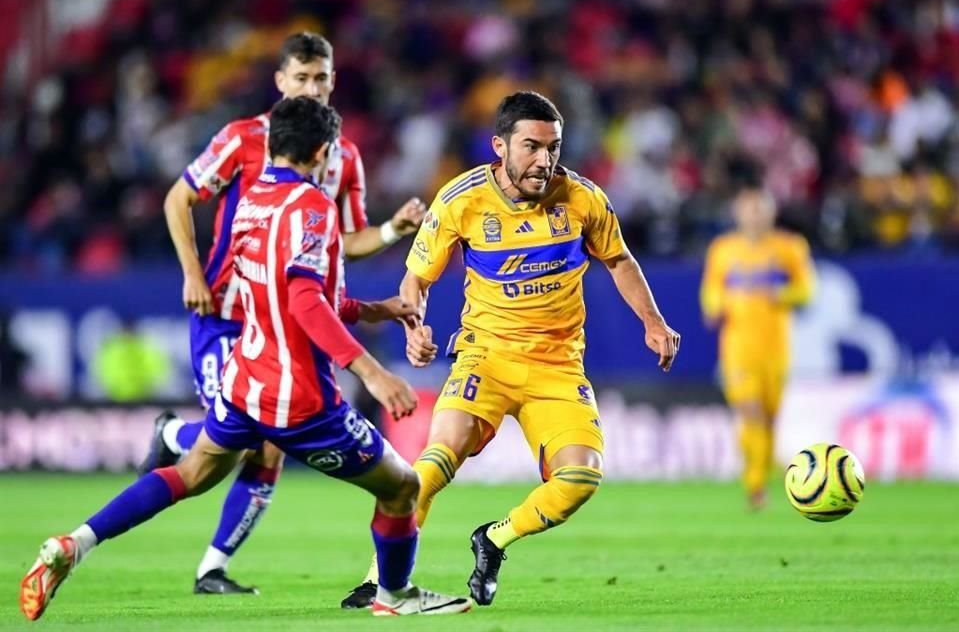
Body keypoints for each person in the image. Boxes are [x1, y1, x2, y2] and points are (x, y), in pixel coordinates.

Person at [19, 97, 472, 622]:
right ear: (323, 152)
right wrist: (371, 371)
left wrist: (376, 310)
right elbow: (303, 300)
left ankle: (74, 544)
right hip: (300, 398)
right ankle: (394, 595)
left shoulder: (250, 202)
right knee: (402, 487)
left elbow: (293, 293)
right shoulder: (313, 208)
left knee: (191, 473)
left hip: (244, 382)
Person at [340, 91, 681, 609]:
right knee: (434, 460)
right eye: (531, 147)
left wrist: (652, 321)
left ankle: (495, 539)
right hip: (486, 356)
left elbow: (619, 260)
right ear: (499, 146)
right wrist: (413, 325)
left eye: (554, 147)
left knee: (581, 477)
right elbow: (417, 278)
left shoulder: (584, 198)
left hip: (558, 367)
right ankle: (378, 580)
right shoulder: (461, 198)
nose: (544, 160)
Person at [140, 32, 426, 594]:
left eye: (321, 78)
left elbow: (346, 239)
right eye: (301, 78)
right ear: (280, 81)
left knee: (264, 437)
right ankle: (174, 435)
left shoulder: (342, 154)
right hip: (227, 311)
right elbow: (179, 198)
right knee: (249, 436)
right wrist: (193, 273)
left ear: (334, 80)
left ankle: (212, 568)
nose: (312, 89)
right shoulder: (243, 138)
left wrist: (391, 230)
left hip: (279, 322)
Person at [700, 186, 815, 509]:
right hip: (738, 348)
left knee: (769, 418)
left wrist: (781, 295)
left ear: (771, 213)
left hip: (776, 349)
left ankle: (762, 474)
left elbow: (807, 290)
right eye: (748, 209)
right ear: (738, 213)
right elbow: (710, 291)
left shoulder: (790, 247)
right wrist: (715, 306)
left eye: (760, 209)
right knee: (750, 412)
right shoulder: (723, 249)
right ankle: (755, 485)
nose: (754, 215)